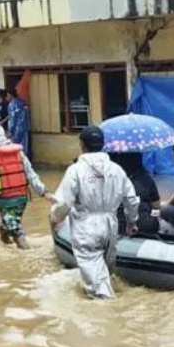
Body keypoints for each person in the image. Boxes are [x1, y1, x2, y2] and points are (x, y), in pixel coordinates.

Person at [50, 126, 139, 299]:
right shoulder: (117, 169)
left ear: (82, 145)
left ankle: (108, 317)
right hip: (111, 226)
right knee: (106, 272)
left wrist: (55, 217)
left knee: (98, 288)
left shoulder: (75, 170)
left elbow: (64, 203)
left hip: (86, 227)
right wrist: (131, 221)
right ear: (102, 144)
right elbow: (131, 199)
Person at [109, 152, 161, 234]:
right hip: (147, 224)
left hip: (119, 226)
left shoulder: (112, 180)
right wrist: (154, 218)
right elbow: (156, 206)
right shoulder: (147, 179)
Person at [7, 87, 31, 156]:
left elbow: (12, 120)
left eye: (7, 95)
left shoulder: (11, 105)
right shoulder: (23, 103)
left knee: (15, 150)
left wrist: (10, 131)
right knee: (24, 150)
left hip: (15, 131)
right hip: (24, 128)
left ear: (10, 95)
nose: (7, 97)